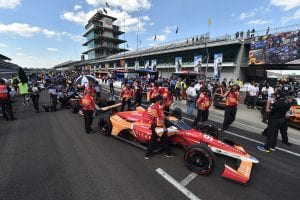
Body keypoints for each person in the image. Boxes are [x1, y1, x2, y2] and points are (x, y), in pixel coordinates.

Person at [145, 95, 174, 159]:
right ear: (160, 100)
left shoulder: (153, 106)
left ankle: (147, 155)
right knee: (163, 139)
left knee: (155, 140)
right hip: (158, 126)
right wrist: (164, 127)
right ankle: (168, 153)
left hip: (154, 124)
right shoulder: (159, 107)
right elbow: (160, 118)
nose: (163, 101)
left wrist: (166, 117)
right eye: (162, 100)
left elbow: (156, 116)